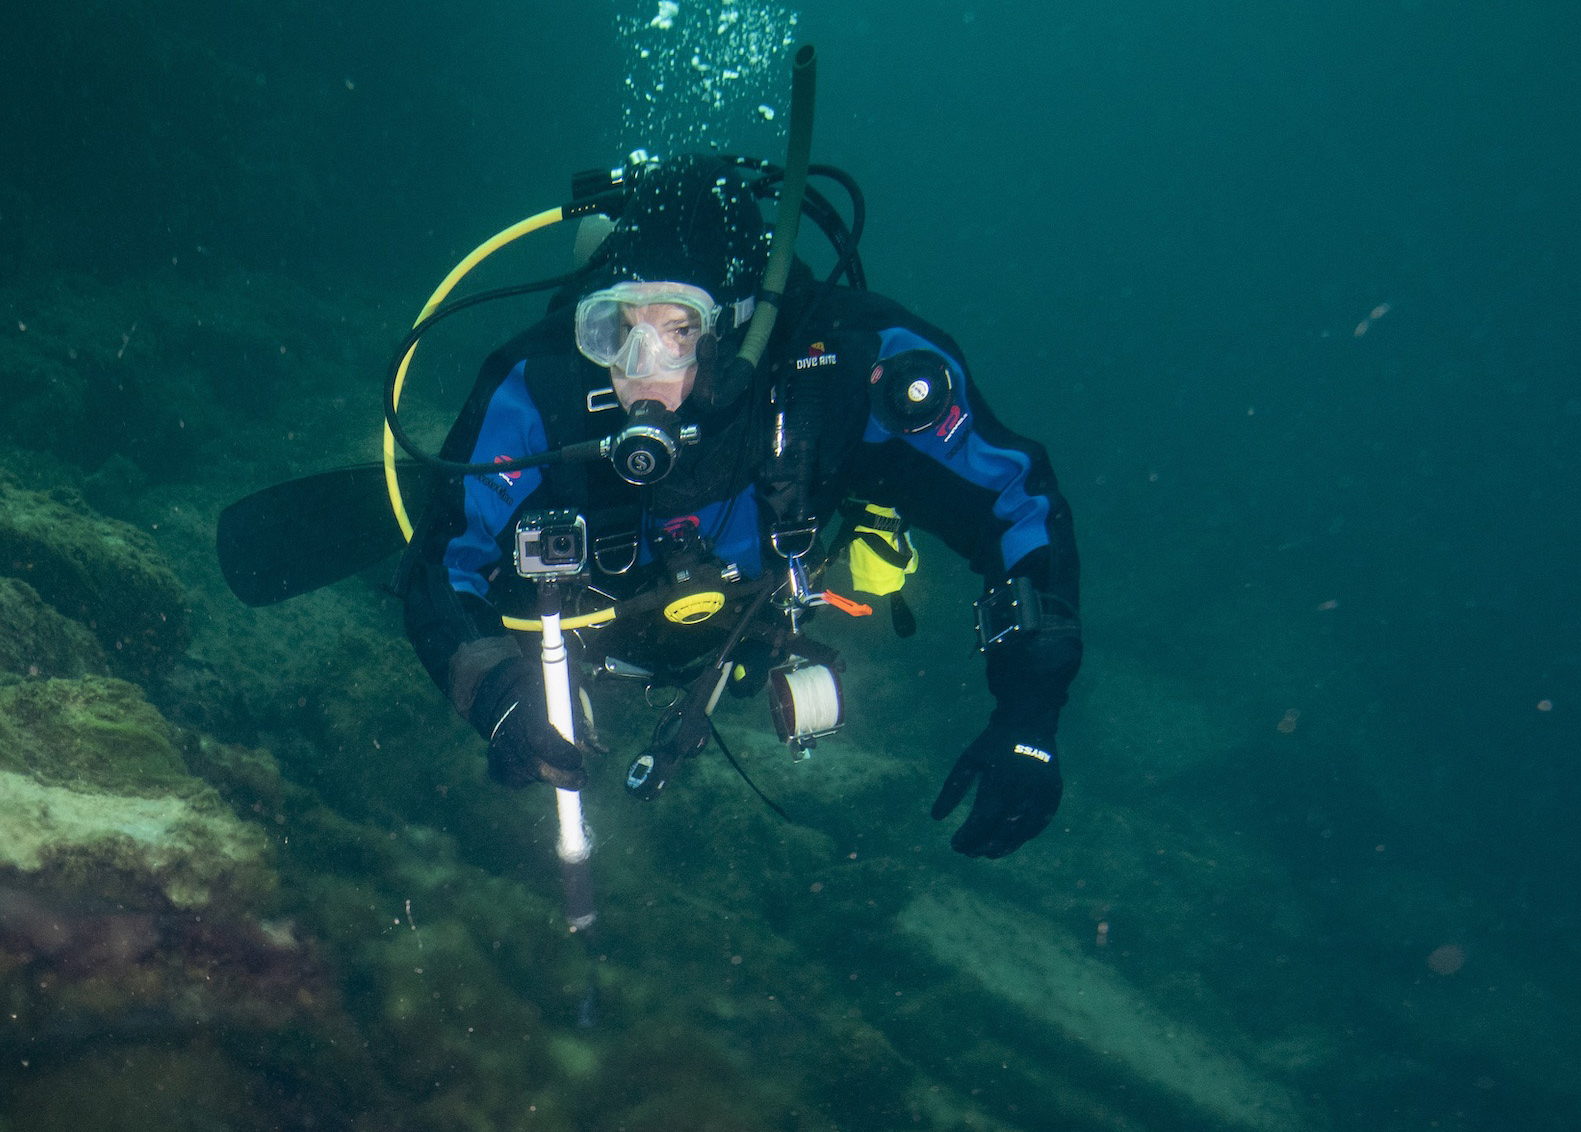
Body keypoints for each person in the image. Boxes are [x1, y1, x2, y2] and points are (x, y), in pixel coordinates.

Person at [396, 159, 1082, 859]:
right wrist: (497, 694)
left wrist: (1030, 713)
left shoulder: (848, 369)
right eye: (616, 328)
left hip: (751, 628)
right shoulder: (539, 383)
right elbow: (442, 558)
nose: (638, 366)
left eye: (678, 330)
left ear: (738, 330)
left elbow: (1015, 500)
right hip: (579, 627)